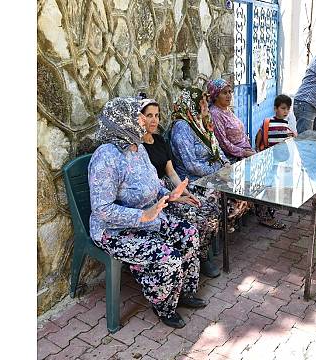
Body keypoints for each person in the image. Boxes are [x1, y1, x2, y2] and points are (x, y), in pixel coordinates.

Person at [88, 96, 207, 329]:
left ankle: (183, 291)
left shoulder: (137, 147)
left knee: (188, 233)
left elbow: (152, 183)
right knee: (168, 257)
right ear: (122, 122)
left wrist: (171, 194)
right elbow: (101, 209)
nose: (144, 121)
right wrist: (142, 216)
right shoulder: (106, 157)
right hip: (114, 230)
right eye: (139, 117)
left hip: (147, 217)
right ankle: (164, 305)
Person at [139, 96, 222, 278]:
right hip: (156, 196)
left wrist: (186, 193)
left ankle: (201, 254)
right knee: (195, 216)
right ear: (140, 118)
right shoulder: (137, 147)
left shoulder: (159, 140)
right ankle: (195, 260)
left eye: (157, 115)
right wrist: (175, 196)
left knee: (208, 209)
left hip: (170, 187)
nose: (154, 120)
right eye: (149, 115)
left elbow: (171, 172)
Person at [207, 78, 287, 230]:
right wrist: (245, 152)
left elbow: (242, 134)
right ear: (215, 95)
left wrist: (250, 150)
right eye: (224, 93)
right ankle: (264, 216)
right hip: (232, 157)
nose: (229, 95)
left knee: (270, 166)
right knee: (260, 173)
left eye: (230, 92)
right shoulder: (215, 114)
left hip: (244, 152)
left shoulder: (227, 110)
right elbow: (223, 144)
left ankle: (266, 209)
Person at [169, 87, 250, 233]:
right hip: (194, 180)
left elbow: (216, 148)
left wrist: (226, 164)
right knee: (227, 196)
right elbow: (191, 165)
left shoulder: (202, 122)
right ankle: (221, 226)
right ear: (192, 105)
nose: (207, 106)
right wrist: (218, 172)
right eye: (203, 103)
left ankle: (226, 224)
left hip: (213, 174)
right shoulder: (182, 128)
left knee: (243, 188)